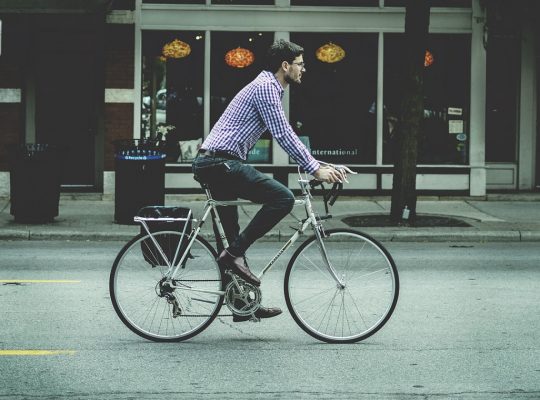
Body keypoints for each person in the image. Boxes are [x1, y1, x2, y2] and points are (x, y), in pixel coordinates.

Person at [192, 39, 348, 322]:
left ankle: (241, 303)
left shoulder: (269, 87)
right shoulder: (266, 88)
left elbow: (285, 135)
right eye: (301, 64)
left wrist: (325, 165)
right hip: (219, 162)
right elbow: (284, 134)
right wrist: (314, 169)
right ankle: (233, 256)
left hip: (220, 162)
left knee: (230, 233)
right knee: (282, 198)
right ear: (285, 65)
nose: (304, 69)